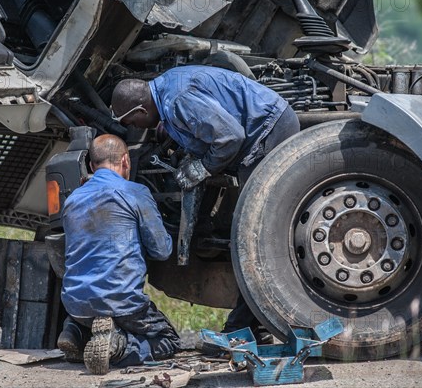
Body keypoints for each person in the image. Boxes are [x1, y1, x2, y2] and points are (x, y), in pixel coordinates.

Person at [110, 65, 300, 339]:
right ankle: (255, 326)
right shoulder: (165, 92)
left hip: (267, 131)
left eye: (131, 123)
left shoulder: (177, 101)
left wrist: (203, 168)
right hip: (261, 128)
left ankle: (241, 329)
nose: (135, 128)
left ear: (140, 111)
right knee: (251, 233)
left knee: (254, 237)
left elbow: (230, 137)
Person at [57, 134, 180, 375]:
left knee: (93, 315)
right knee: (168, 340)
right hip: (121, 302)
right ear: (125, 161)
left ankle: (76, 332)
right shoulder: (135, 192)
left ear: (92, 166)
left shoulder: (71, 199)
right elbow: (162, 250)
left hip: (75, 304)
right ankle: (118, 347)